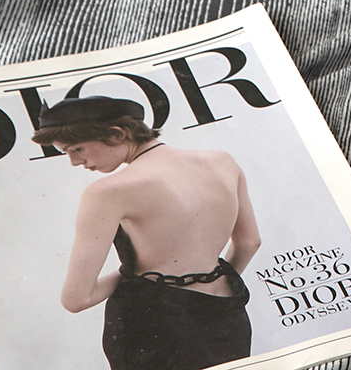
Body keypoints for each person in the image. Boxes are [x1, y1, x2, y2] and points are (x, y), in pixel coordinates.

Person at [33, 93, 261, 370]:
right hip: (227, 312)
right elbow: (249, 242)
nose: (74, 161)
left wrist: (135, 271)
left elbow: (76, 299)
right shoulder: (222, 161)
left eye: (77, 149)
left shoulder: (106, 192)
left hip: (152, 322)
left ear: (117, 134)